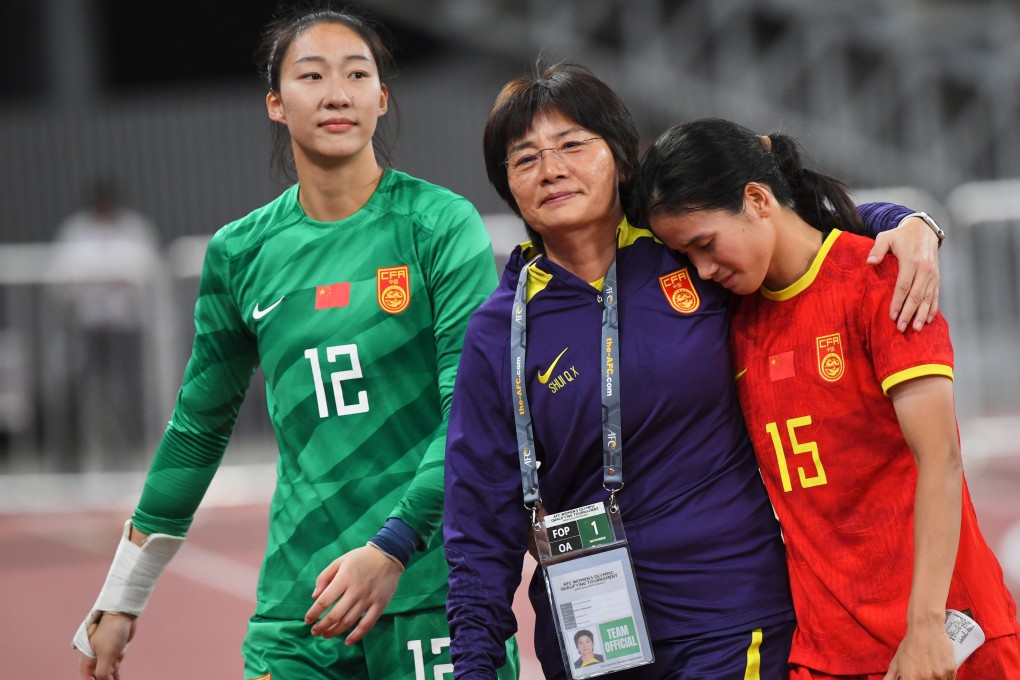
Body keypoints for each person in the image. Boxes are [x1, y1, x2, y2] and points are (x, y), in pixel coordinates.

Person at [443, 62, 944, 680]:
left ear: (622, 158)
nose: (551, 170)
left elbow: (792, 231)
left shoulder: (688, 254)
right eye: (525, 160)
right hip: (591, 637)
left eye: (573, 145)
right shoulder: (500, 331)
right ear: (507, 186)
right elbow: (476, 526)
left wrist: (904, 223)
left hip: (733, 617)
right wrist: (471, 667)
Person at [71, 6, 518, 680]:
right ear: (276, 103)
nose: (336, 93)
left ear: (381, 98)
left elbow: (472, 415)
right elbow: (197, 429)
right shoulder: (241, 253)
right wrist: (122, 597)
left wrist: (392, 549)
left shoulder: (437, 225)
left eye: (356, 74)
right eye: (311, 76)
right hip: (299, 610)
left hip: (431, 592)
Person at [636, 117, 1020, 680]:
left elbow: (941, 459)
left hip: (944, 636)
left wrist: (924, 627)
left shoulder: (882, 278)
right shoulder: (730, 318)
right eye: (686, 256)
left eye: (705, 244)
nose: (703, 269)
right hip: (825, 652)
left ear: (757, 199)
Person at [50, 176, 162, 467]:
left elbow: (146, 274)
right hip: (86, 327)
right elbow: (62, 278)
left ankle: (130, 456)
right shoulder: (75, 231)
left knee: (130, 391)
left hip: (124, 326)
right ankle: (70, 461)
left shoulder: (134, 231)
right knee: (76, 391)